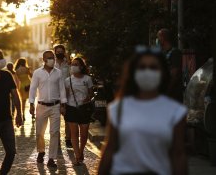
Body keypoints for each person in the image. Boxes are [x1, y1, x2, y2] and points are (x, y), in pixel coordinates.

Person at [98, 46, 187, 175]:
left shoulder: (175, 111)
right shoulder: (119, 108)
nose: (147, 71)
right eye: (142, 67)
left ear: (162, 72)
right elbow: (110, 148)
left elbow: (178, 154)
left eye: (153, 67)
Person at [29, 50, 67, 168]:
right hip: (41, 106)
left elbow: (62, 88)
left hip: (55, 106)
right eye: (49, 58)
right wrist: (31, 103)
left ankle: (52, 158)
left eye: (53, 58)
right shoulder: (37, 73)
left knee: (54, 132)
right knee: (40, 132)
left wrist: (63, 104)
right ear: (44, 60)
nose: (52, 60)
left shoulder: (58, 73)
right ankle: (41, 151)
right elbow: (33, 88)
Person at [64, 57, 93, 165]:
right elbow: (66, 96)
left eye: (77, 64)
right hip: (71, 108)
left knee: (84, 134)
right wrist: (63, 107)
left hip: (84, 108)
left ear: (81, 66)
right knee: (74, 133)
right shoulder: (68, 80)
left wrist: (88, 98)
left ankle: (81, 151)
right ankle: (77, 156)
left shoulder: (87, 79)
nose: (74, 66)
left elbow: (91, 93)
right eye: (73, 64)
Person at [156, 28, 183, 102]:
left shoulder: (175, 53)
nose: (157, 40)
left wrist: (166, 91)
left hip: (173, 95)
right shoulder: (162, 54)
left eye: (158, 37)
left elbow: (174, 75)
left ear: (163, 38)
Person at [53, 44, 72, 148]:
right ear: (55, 52)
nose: (59, 53)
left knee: (67, 118)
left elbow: (72, 76)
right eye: (57, 51)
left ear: (64, 52)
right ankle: (57, 141)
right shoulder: (52, 63)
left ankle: (68, 139)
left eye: (61, 51)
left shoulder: (68, 64)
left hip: (67, 92)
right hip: (55, 93)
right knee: (56, 119)